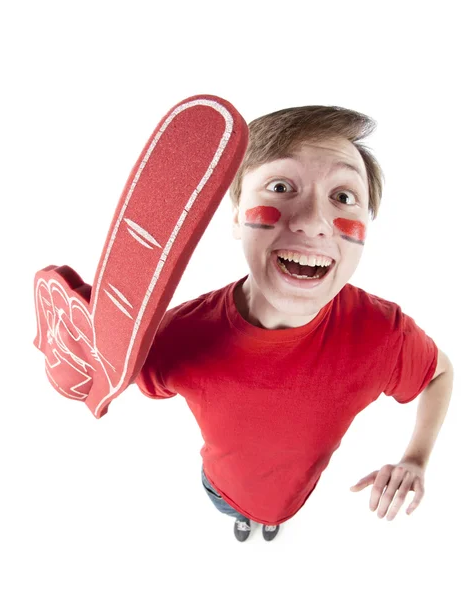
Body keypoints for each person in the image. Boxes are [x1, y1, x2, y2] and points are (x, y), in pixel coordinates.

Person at [135, 104, 454, 542]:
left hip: (299, 494)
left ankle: (269, 521)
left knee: (276, 516)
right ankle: (244, 519)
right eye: (281, 186)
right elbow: (123, 372)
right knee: (234, 508)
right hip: (220, 488)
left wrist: (416, 458)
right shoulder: (176, 334)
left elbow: (440, 372)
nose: (310, 222)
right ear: (235, 215)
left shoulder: (383, 334)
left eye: (343, 197)